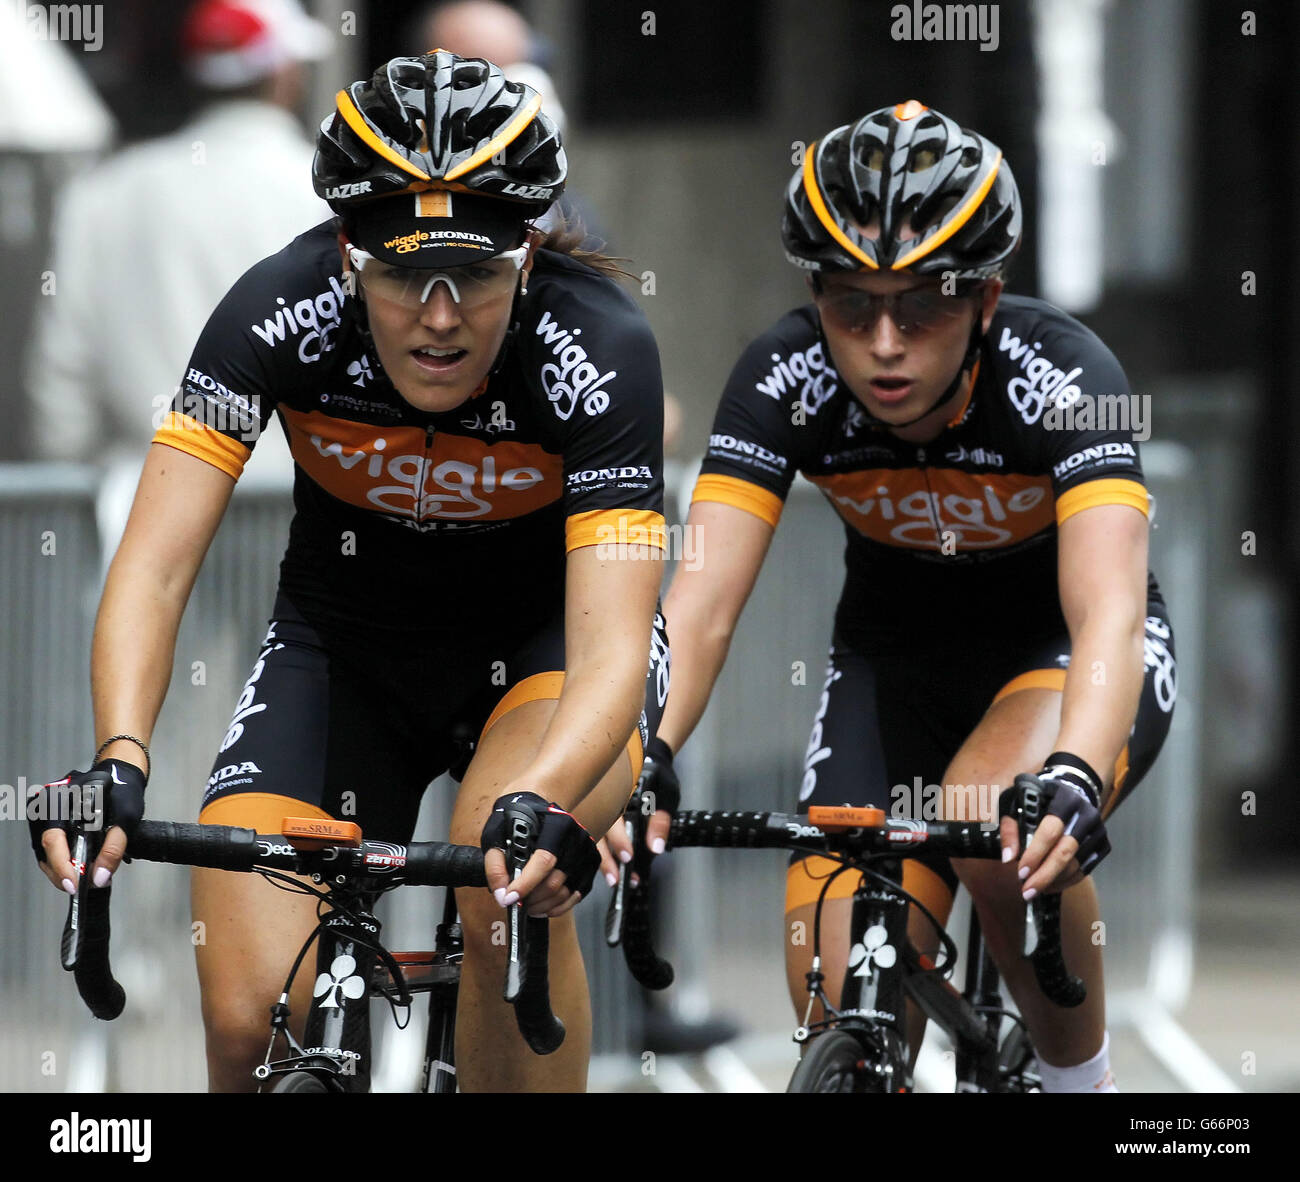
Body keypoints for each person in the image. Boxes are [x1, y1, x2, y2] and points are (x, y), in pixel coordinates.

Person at [29, 51, 669, 1093]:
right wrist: (119, 761)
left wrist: (545, 800)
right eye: (405, 274)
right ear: (345, 252)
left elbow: (610, 648)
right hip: (344, 655)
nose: (442, 314)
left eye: (476, 272)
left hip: (549, 659)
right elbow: (150, 568)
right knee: (245, 1014)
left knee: (499, 875)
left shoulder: (596, 345)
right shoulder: (275, 312)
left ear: (529, 251)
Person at [633, 101, 1176, 1092]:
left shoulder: (1063, 375)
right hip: (891, 669)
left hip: (1059, 655)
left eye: (920, 306)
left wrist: (1073, 771)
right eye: (850, 305)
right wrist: (642, 749)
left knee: (995, 816)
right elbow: (700, 602)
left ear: (985, 300)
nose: (883, 342)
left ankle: (1078, 1084)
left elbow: (1107, 606)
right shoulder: (782, 377)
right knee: (835, 986)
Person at [25, 0, 332, 471]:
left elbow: (61, 376)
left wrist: (68, 491)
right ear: (284, 73)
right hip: (294, 498)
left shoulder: (106, 191)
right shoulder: (329, 193)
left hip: (141, 497)